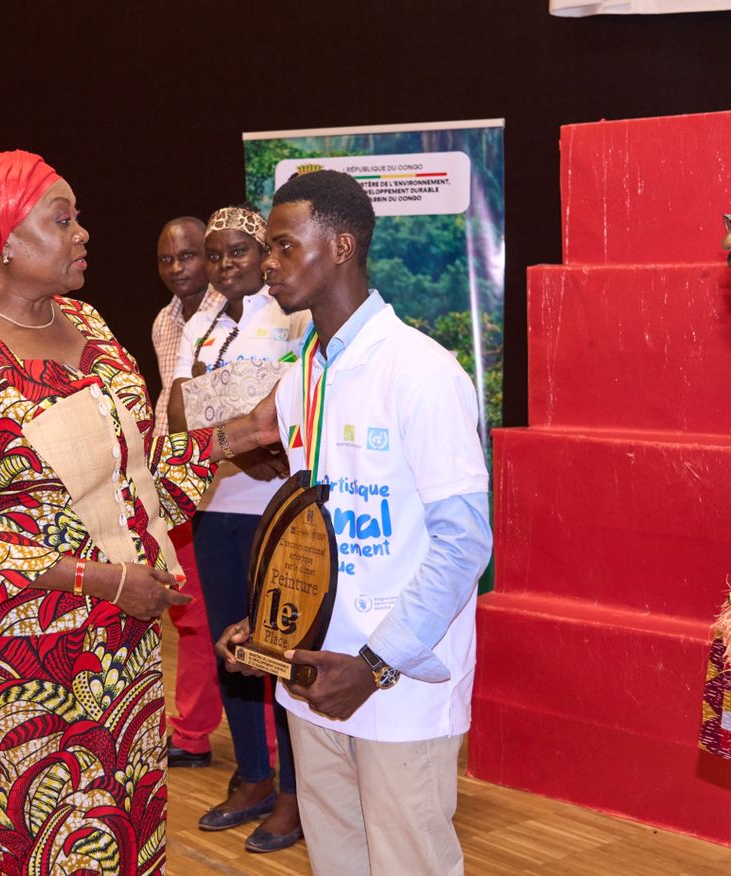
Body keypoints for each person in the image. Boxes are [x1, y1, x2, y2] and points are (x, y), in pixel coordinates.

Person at [0, 150, 280, 874]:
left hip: (124, 641)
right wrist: (101, 580)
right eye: (62, 219)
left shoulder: (88, 324)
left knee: (130, 827)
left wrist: (236, 436)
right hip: (22, 656)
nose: (83, 233)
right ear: (4, 240)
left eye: (78, 218)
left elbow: (142, 480)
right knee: (50, 839)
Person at [217, 169, 492, 876]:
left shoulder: (423, 372)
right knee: (337, 862)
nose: (268, 263)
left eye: (284, 245)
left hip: (397, 687)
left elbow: (464, 545)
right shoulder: (301, 377)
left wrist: (374, 666)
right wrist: (267, 624)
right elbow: (310, 531)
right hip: (312, 677)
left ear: (340, 246)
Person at [167, 205, 308, 852]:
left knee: (278, 647)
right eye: (216, 254)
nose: (225, 265)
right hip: (218, 500)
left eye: (239, 252)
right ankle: (253, 776)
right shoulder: (201, 325)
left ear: (264, 254)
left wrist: (236, 434)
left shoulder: (291, 316)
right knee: (231, 646)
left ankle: (295, 792)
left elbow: (292, 407)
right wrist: (242, 446)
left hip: (278, 507)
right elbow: (180, 411)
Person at [150, 216, 225, 769]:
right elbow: (168, 402)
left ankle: (208, 735)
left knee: (224, 615)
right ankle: (193, 732)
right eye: (166, 259)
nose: (177, 268)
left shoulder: (239, 313)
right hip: (175, 486)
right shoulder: (164, 321)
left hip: (228, 485)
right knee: (190, 613)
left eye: (189, 255)